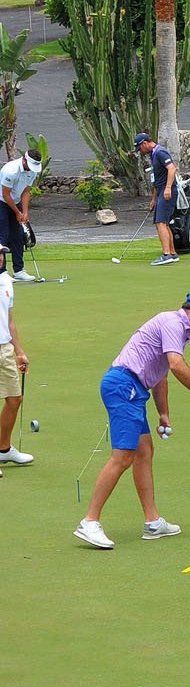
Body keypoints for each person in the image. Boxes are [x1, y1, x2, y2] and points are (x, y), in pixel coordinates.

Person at [73, 287, 190, 550]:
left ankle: (153, 522)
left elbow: (161, 374)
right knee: (123, 457)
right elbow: (175, 365)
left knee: (144, 451)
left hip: (133, 389)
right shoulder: (172, 323)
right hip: (124, 386)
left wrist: (163, 413)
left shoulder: (180, 331)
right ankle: (89, 521)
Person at [0, 244, 31, 467]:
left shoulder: (6, 281)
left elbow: (9, 321)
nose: (0, 258)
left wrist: (19, 351)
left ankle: (3, 449)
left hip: (5, 349)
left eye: (1, 254)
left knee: (14, 398)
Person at [135, 132, 182, 266]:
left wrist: (168, 188)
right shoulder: (153, 154)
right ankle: (172, 253)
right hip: (161, 192)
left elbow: (172, 169)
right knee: (163, 223)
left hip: (168, 192)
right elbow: (157, 180)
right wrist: (154, 199)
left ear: (145, 143)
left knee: (160, 222)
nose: (140, 151)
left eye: (140, 148)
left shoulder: (160, 152)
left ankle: (166, 255)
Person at [0, 146, 42, 282]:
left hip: (15, 201)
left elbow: (26, 191)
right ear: (24, 160)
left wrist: (24, 213)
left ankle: (18, 270)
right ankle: (2, 272)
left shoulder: (32, 170)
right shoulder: (10, 170)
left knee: (18, 236)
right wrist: (17, 212)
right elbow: (6, 195)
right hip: (1, 201)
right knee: (3, 236)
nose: (31, 168)